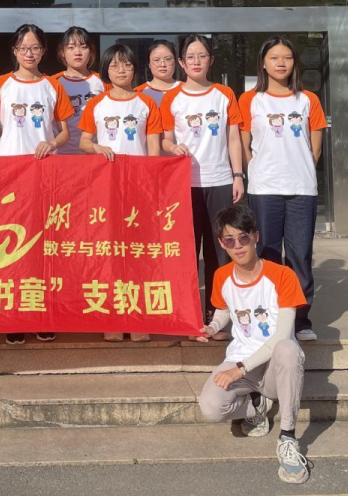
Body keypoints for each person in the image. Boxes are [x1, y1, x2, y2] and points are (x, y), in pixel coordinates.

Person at [196, 205, 310, 485]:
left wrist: (240, 369)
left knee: (288, 348)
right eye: (229, 240)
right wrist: (212, 327)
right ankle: (255, 406)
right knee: (210, 408)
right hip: (241, 359)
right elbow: (224, 310)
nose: (238, 246)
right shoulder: (222, 276)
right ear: (222, 243)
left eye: (243, 237)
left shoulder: (282, 275)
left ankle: (287, 437)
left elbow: (281, 336)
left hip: (273, 368)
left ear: (256, 236)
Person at [0, 23, 74, 345]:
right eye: (24, 48)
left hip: (44, 175)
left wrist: (52, 143)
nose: (29, 53)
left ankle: (42, 314)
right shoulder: (1, 85)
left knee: (43, 245)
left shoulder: (52, 86)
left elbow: (65, 132)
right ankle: (14, 314)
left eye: (35, 48)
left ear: (44, 51)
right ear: (14, 51)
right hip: (9, 175)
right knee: (11, 245)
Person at [238, 36, 327, 342]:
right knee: (268, 253)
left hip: (302, 188)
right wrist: (254, 169)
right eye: (274, 57)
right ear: (263, 64)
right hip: (265, 188)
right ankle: (271, 316)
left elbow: (315, 147)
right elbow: (243, 142)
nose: (281, 63)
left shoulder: (308, 99)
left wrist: (301, 169)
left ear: (294, 63)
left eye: (287, 57)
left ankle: (300, 319)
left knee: (300, 255)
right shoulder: (251, 99)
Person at [160, 34, 243, 336]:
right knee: (186, 251)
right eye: (190, 57)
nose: (196, 61)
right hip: (185, 184)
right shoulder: (172, 97)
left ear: (211, 60)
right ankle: (187, 312)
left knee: (219, 251)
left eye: (202, 56)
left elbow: (233, 138)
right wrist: (172, 148)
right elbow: (165, 139)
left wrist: (238, 175)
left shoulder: (224, 94)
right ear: (181, 63)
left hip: (220, 181)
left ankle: (216, 313)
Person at [78, 43, 162, 343]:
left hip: (138, 190)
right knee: (110, 252)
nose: (121, 70)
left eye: (126, 64)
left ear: (135, 68)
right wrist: (96, 147)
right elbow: (83, 141)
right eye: (114, 65)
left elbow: (154, 149)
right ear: (106, 71)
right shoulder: (97, 104)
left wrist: (152, 186)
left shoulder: (147, 104)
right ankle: (112, 316)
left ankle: (137, 317)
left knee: (137, 253)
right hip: (106, 188)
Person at [53, 26, 107, 155]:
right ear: (62, 51)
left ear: (91, 51)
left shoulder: (103, 82)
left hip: (94, 154)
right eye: (71, 47)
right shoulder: (53, 83)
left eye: (83, 47)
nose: (77, 52)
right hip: (60, 155)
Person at [136, 39, 181, 107]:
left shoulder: (188, 90)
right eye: (156, 60)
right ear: (149, 64)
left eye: (168, 59)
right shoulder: (138, 92)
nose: (162, 64)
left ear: (175, 61)